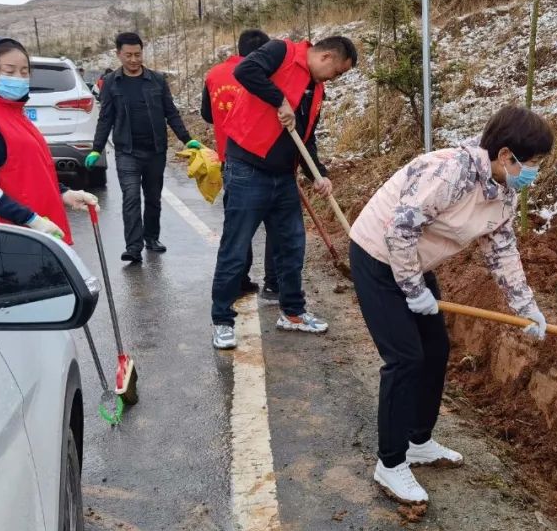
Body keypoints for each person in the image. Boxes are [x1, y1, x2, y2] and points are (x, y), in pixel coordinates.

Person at [349, 106, 553, 505]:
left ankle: (418, 441)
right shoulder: (449, 171)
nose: (533, 171)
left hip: (413, 261)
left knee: (436, 350)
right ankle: (390, 464)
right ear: (506, 155)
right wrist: (412, 289)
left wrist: (526, 306)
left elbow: (502, 250)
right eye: (531, 163)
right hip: (377, 255)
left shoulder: (504, 193)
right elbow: (400, 229)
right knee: (405, 359)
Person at [210, 35, 357, 350]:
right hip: (247, 168)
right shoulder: (282, 51)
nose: (335, 78)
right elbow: (245, 72)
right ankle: (222, 321)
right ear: (328, 57)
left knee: (291, 247)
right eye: (338, 72)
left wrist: (318, 174)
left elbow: (306, 138)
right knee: (235, 250)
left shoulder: (316, 89)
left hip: (283, 176)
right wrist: (279, 100)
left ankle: (292, 312)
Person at [0, 37, 99, 243]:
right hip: (13, 239)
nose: (19, 77)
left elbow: (31, 172)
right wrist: (32, 220)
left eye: (25, 72)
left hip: (43, 235)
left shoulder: (16, 114)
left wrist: (64, 194)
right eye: (9, 71)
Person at [86, 32, 200, 263]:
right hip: (127, 151)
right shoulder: (111, 83)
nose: (133, 60)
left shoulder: (157, 80)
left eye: (137, 54)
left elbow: (171, 113)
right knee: (131, 198)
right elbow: (105, 118)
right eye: (128, 55)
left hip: (155, 150)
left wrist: (187, 139)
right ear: (118, 54)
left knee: (153, 197)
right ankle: (133, 247)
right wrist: (97, 148)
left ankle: (152, 238)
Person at [200, 28, 274, 297]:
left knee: (238, 226)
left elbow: (207, 114)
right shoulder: (268, 74)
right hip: (269, 160)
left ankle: (240, 280)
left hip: (230, 159)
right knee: (275, 224)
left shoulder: (214, 74)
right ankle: (273, 283)